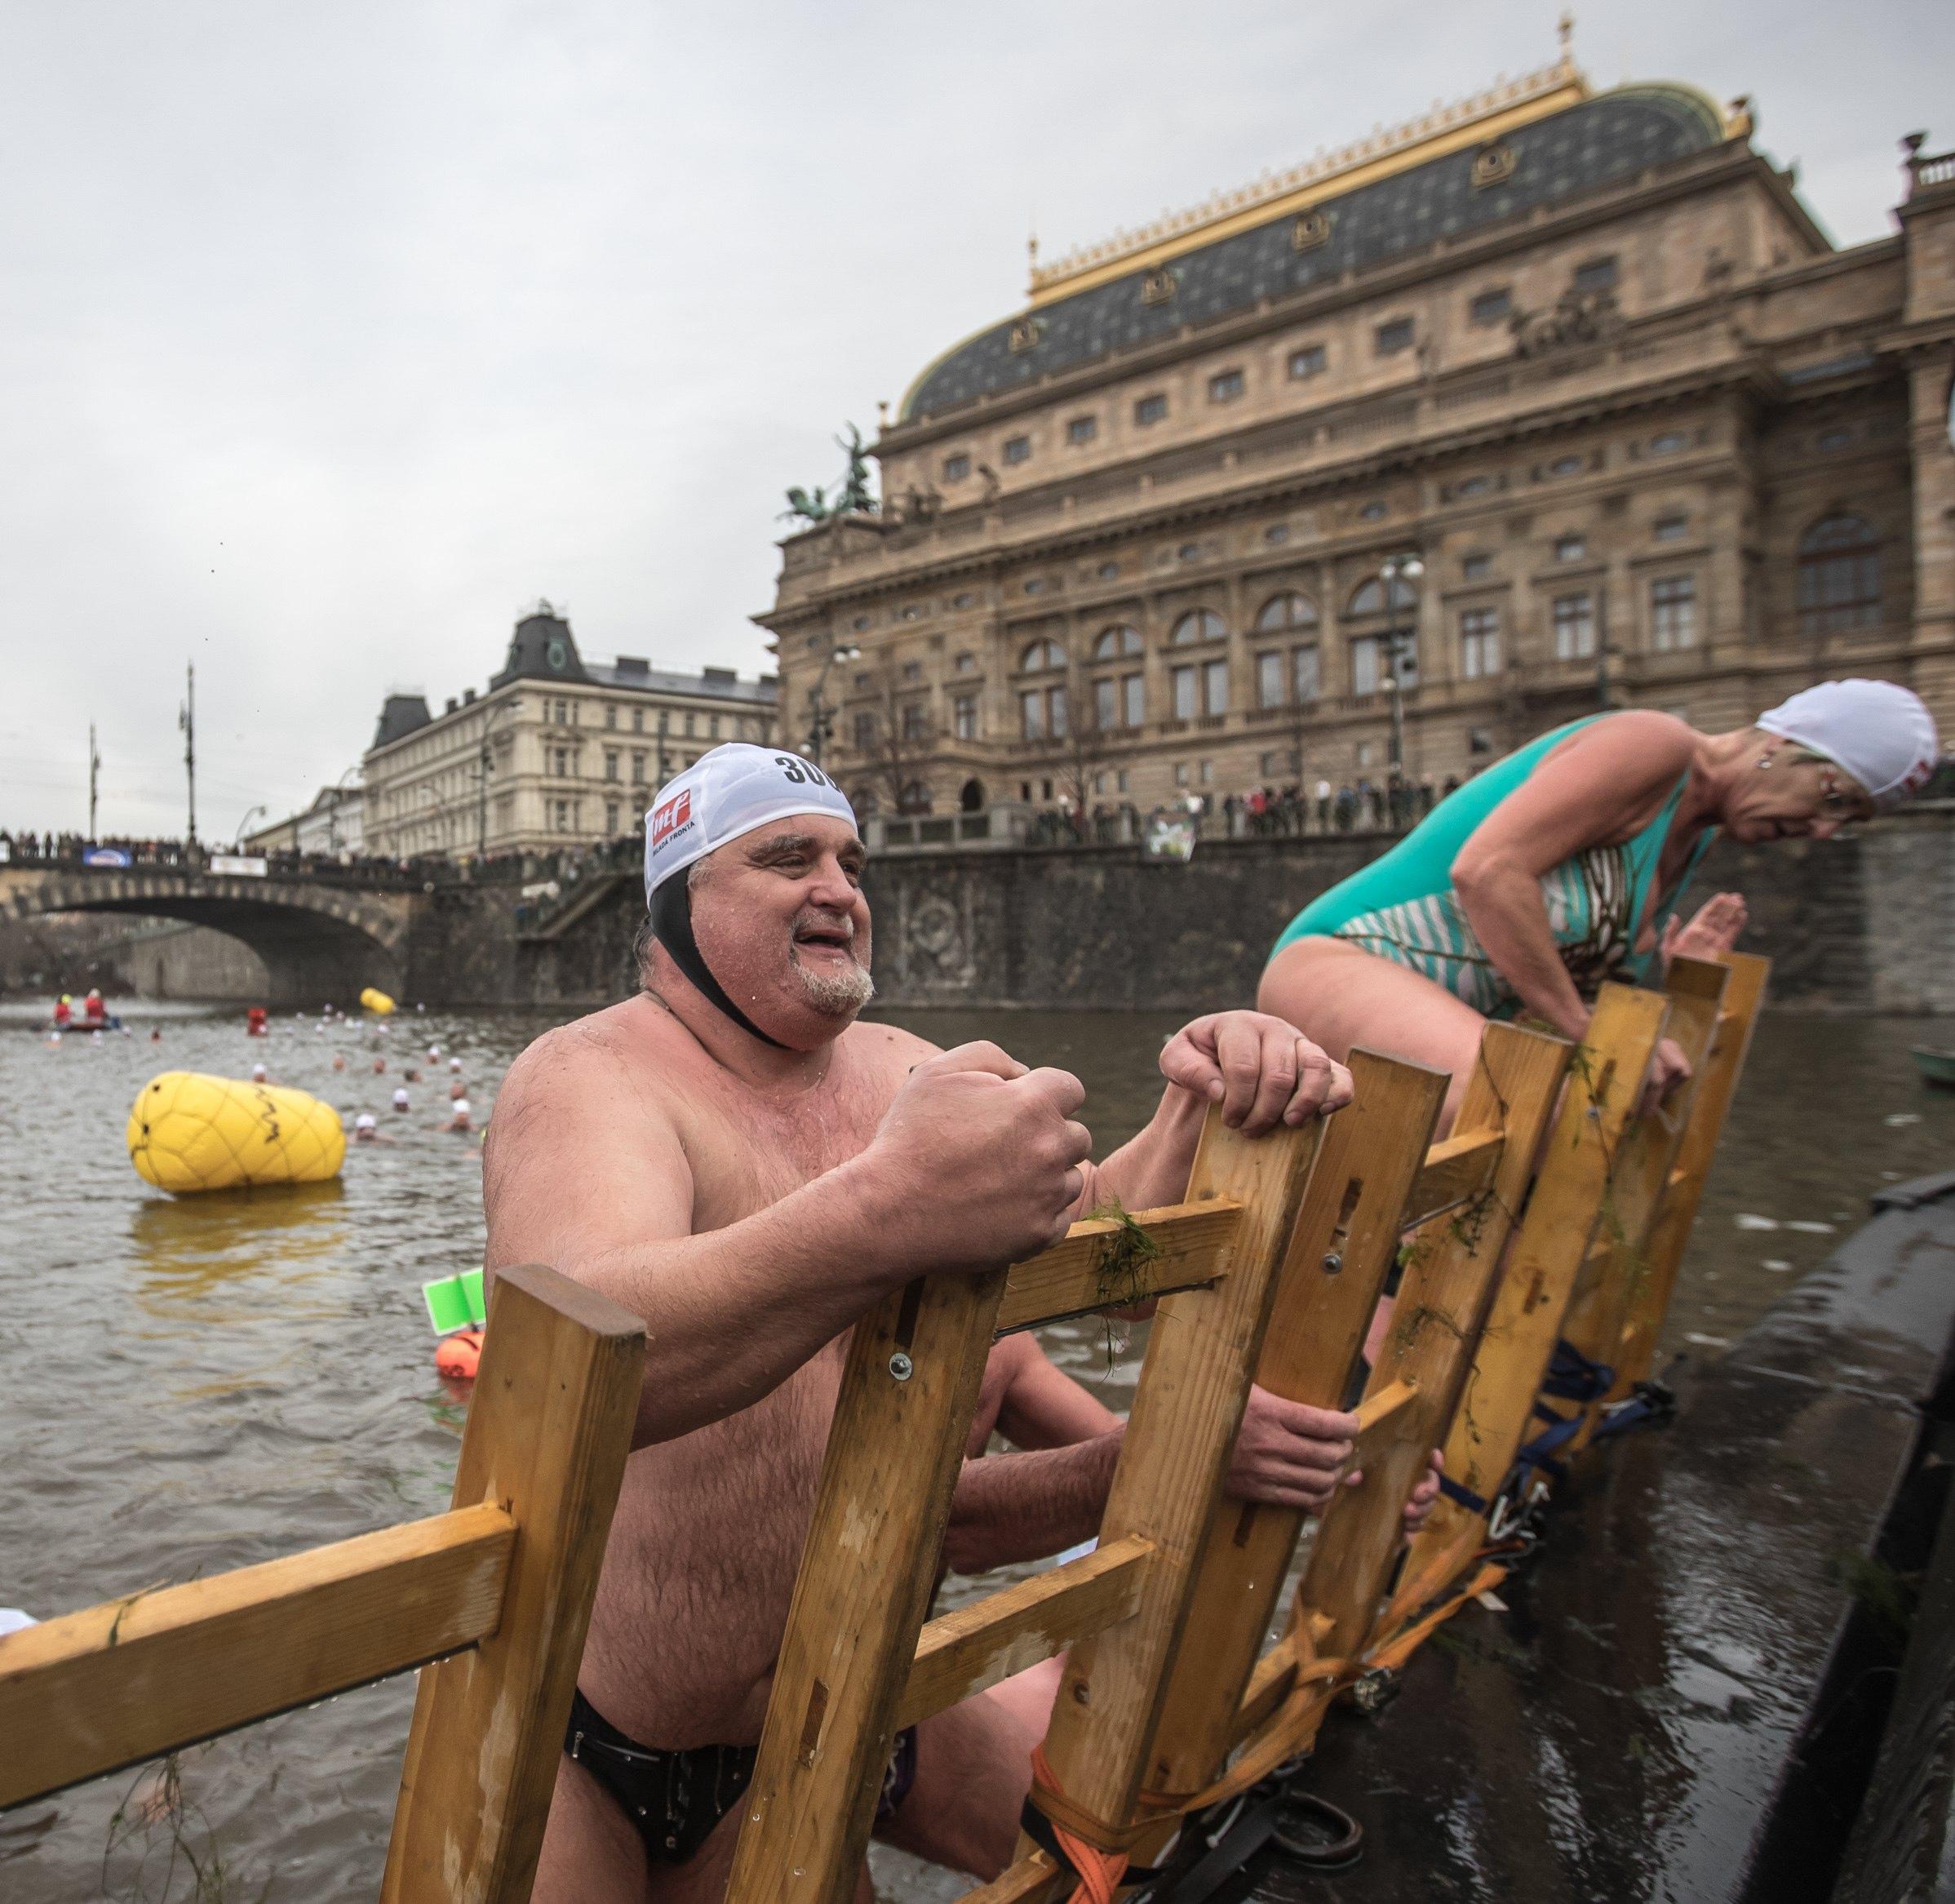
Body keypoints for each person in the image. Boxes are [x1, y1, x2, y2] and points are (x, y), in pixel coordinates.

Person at [487, 743, 1372, 1897]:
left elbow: (1094, 1238)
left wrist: (1198, 1102)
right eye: (786, 857)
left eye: (853, 861)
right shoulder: (589, 1074)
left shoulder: (908, 1067)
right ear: (677, 901)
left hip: (840, 1706)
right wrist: (890, 1205)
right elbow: (581, 1367)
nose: (840, 888)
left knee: (1129, 1849)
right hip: (594, 1746)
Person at [1262, 681, 1937, 1116]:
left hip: (1436, 1010)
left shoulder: (1694, 835)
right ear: (1786, 744)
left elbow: (1573, 979)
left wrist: (1668, 984)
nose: (1823, 830)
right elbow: (1490, 872)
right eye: (1833, 797)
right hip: (1344, 962)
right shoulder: (1656, 743)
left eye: (1848, 820)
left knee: (1609, 1100)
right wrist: (1587, 1032)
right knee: (1532, 1102)